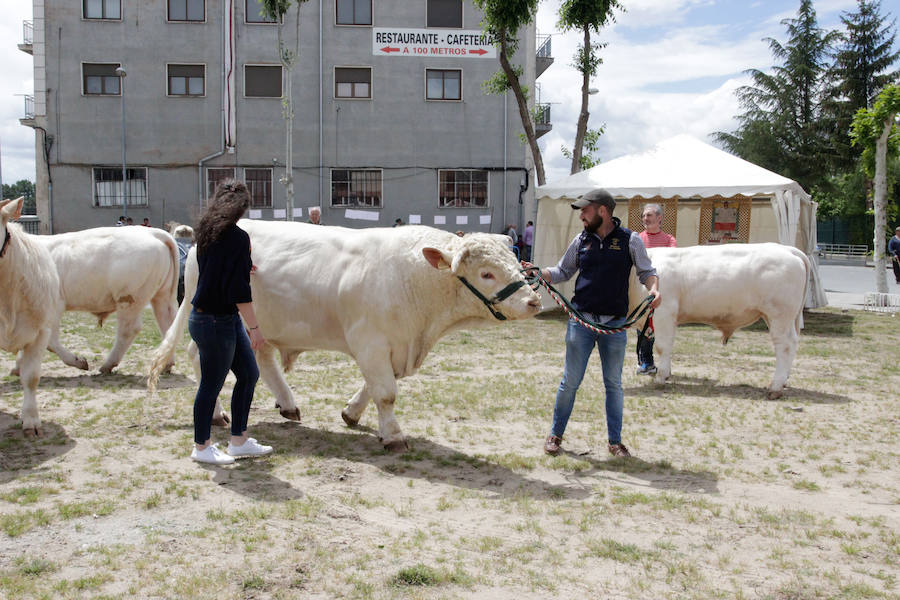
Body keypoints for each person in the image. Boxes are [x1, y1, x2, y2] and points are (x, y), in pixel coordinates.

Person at [524, 189, 660, 458]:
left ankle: (615, 442)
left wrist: (655, 290)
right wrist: (539, 272)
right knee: (570, 382)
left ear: (602, 211)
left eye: (585, 210)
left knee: (614, 384)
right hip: (581, 322)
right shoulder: (581, 240)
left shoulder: (630, 240)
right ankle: (555, 435)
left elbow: (647, 272)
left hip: (615, 326)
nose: (581, 216)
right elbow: (563, 270)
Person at [188, 179, 273, 465]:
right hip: (215, 321)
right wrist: (256, 329)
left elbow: (215, 267)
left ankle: (238, 441)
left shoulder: (207, 232)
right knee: (211, 386)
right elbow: (239, 291)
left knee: (249, 374)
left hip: (216, 318)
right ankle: (201, 447)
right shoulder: (237, 238)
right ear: (242, 208)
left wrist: (243, 264)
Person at [635, 203, 676, 375]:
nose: (646, 219)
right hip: (640, 290)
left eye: (649, 215)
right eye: (644, 215)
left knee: (658, 328)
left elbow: (673, 265)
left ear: (659, 218)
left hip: (661, 292)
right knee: (642, 326)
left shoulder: (669, 240)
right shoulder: (636, 239)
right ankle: (645, 362)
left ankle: (659, 362)